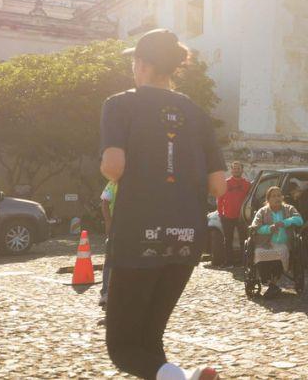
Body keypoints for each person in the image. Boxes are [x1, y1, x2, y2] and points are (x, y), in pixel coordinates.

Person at [100, 28, 226, 380]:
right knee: (149, 341)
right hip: (187, 236)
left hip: (138, 233)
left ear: (141, 64)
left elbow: (113, 167)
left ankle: (187, 378)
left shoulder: (119, 104)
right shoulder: (197, 113)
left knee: (123, 349)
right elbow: (219, 186)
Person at [250, 185, 304, 298]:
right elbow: (255, 227)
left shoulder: (289, 208)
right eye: (273, 196)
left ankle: (273, 284)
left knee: (281, 251)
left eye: (279, 195)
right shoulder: (262, 211)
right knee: (259, 253)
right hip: (265, 243)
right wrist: (268, 229)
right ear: (268, 199)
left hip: (284, 243)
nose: (277, 198)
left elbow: (299, 220)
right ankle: (270, 283)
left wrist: (285, 222)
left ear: (282, 197)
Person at [217, 161, 251, 267]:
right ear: (231, 170)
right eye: (234, 168)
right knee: (228, 240)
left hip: (241, 217)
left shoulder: (247, 184)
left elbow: (250, 200)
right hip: (227, 216)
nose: (236, 170)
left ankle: (243, 262)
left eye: (238, 168)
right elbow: (219, 198)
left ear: (242, 170)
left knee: (243, 240)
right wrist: (220, 213)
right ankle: (229, 262)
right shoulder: (225, 183)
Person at [99, 180, 119, 308]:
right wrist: (108, 223)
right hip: (116, 227)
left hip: (134, 227)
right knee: (110, 261)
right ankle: (106, 292)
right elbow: (105, 203)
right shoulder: (113, 183)